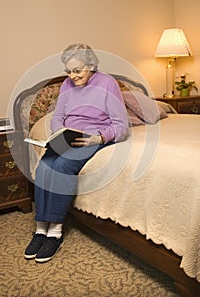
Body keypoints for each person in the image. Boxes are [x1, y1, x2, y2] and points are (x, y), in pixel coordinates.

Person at [24, 43, 129, 263]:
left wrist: (99, 137)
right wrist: (58, 134)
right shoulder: (66, 85)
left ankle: (55, 232)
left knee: (62, 166)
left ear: (91, 65)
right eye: (69, 71)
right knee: (45, 164)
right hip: (68, 135)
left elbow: (121, 125)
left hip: (92, 137)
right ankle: (41, 228)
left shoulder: (108, 84)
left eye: (77, 70)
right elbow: (57, 116)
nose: (73, 76)